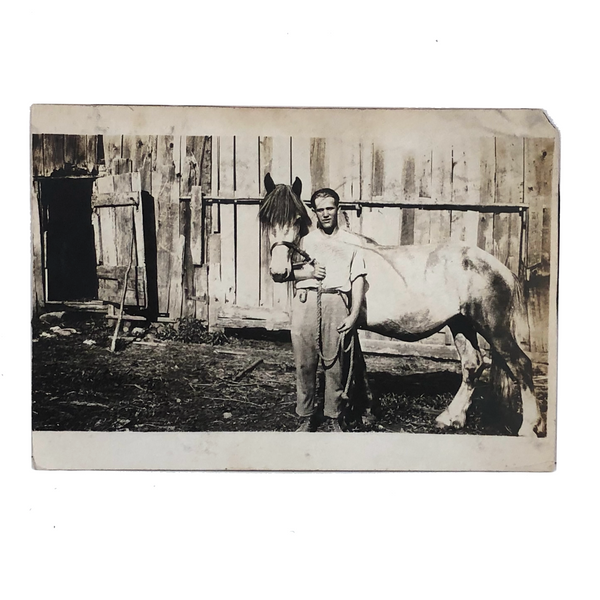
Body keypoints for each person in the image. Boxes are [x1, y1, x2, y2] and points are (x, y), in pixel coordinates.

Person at [291, 188, 367, 432]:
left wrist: (354, 314)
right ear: (314, 212)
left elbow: (358, 279)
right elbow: (287, 273)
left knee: (335, 363)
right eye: (320, 209)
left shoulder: (352, 241)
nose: (325, 214)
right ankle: (306, 416)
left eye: (329, 208)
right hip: (307, 301)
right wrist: (310, 273)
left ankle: (334, 417)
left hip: (336, 302)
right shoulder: (306, 240)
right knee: (305, 363)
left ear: (338, 209)